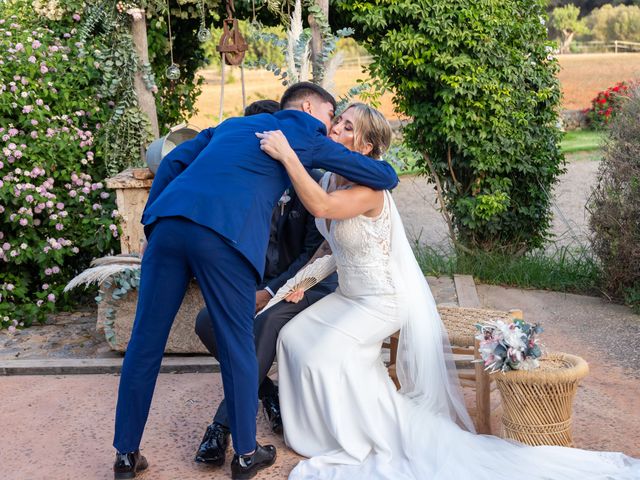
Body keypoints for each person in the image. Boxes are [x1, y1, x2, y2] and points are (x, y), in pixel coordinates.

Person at [256, 103, 640, 480]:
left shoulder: (371, 189)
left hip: (382, 299)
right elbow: (333, 248)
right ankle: (313, 433)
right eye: (337, 121)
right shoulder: (328, 179)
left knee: (324, 354)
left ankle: (357, 437)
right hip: (349, 295)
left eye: (348, 127)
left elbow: (322, 209)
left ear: (366, 146)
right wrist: (301, 282)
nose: (336, 128)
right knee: (292, 337)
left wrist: (289, 155)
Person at [111, 84, 399, 480]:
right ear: (311, 107)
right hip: (221, 237)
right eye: (332, 116)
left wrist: (152, 221)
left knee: (144, 343)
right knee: (238, 343)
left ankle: (125, 455)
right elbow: (385, 175)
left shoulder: (232, 125)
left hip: (167, 226)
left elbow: (175, 160)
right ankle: (246, 454)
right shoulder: (302, 133)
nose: (330, 128)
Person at [193, 99, 338, 467]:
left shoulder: (309, 178)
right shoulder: (240, 181)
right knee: (207, 321)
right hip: (255, 285)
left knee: (268, 322)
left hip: (307, 283)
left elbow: (311, 254)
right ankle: (266, 392)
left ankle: (221, 428)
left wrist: (270, 291)